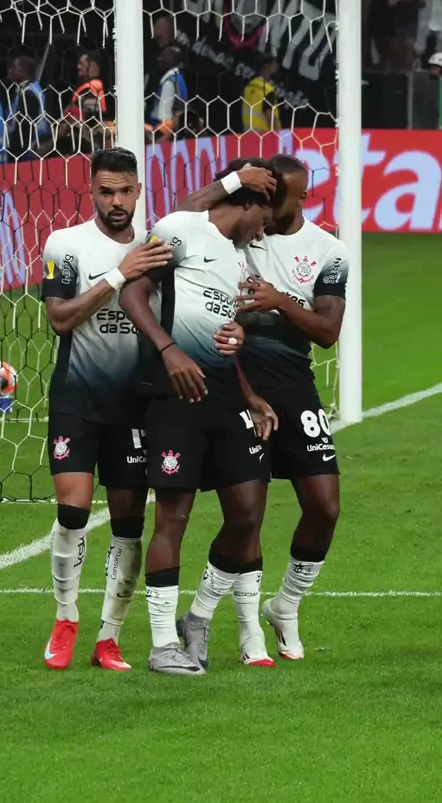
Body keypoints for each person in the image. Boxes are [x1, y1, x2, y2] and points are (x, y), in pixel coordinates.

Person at [178, 155, 348, 663]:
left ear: (302, 197)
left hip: (295, 386)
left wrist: (280, 301)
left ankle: (286, 606)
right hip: (237, 381)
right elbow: (186, 214)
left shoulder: (328, 251)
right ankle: (242, 626)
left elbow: (327, 332)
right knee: (247, 514)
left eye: (279, 198)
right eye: (264, 196)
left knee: (325, 506)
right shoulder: (237, 233)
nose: (268, 207)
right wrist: (233, 183)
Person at [119, 182, 277, 676]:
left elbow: (223, 333)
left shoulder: (240, 262)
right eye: (264, 219)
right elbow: (132, 293)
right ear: (247, 203)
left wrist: (247, 384)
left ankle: (199, 615)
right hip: (175, 396)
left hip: (226, 397)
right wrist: (169, 350)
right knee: (173, 516)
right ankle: (162, 645)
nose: (263, 231)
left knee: (247, 515)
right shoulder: (182, 229)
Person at [40, 147, 173, 672]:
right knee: (72, 511)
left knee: (128, 525)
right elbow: (59, 319)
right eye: (105, 192)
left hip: (136, 407)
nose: (116, 201)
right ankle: (66, 618)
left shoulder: (160, 248)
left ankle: (108, 638)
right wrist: (118, 275)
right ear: (91, 192)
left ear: (138, 191)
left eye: (124, 191)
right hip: (76, 398)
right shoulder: (66, 244)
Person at [6, 55, 51, 160]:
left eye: (14, 67)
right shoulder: (31, 89)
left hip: (28, 152)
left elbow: (24, 127)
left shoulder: (28, 94)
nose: (10, 71)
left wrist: (14, 153)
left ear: (23, 72)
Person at [145, 45, 188, 143]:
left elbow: (164, 118)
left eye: (163, 57)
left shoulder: (169, 83)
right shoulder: (179, 79)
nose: (159, 59)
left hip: (162, 132)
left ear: (172, 61)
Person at [242, 54, 281, 134]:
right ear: (267, 66)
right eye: (274, 64)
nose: (277, 66)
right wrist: (278, 134)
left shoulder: (249, 87)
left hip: (248, 135)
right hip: (264, 136)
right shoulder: (267, 90)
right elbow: (269, 115)